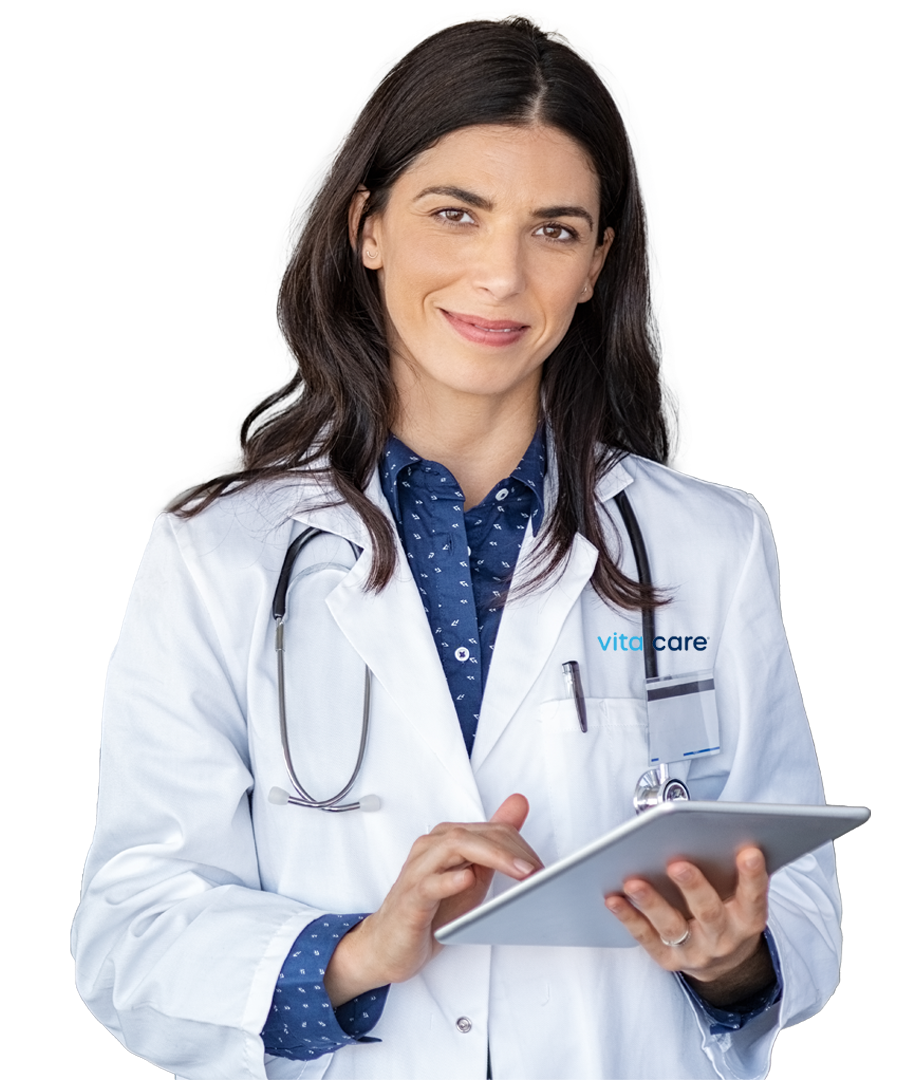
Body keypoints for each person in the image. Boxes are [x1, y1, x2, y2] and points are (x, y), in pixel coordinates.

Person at [73, 15, 841, 1080]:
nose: (499, 276)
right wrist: (352, 954)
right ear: (366, 226)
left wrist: (731, 961)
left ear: (594, 266)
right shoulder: (216, 554)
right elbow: (130, 931)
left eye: (554, 230)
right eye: (455, 214)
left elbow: (795, 894)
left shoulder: (708, 543)